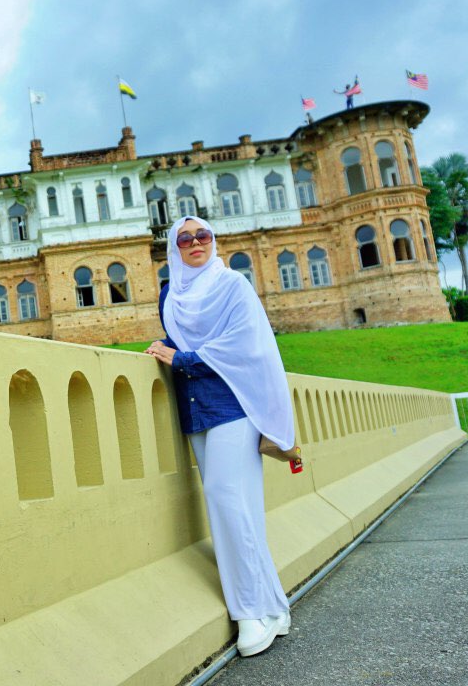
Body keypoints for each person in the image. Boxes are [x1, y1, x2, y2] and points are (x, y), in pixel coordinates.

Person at [145, 216, 297, 657]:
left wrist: (182, 359)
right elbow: (179, 338)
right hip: (195, 407)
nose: (196, 243)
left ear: (214, 240)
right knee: (238, 508)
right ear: (174, 248)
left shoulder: (232, 285)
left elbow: (243, 343)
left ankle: (249, 612)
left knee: (223, 494)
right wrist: (163, 347)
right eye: (185, 238)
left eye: (203, 235)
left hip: (234, 403)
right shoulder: (171, 294)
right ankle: (274, 607)